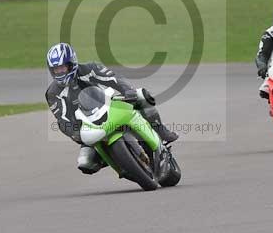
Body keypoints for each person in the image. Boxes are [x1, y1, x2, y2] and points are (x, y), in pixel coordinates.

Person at [44, 42, 179, 175]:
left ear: (72, 63)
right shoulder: (53, 93)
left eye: (63, 68)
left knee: (141, 95)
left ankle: (161, 132)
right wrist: (74, 132)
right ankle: (115, 161)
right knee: (85, 163)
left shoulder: (90, 69)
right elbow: (62, 119)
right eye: (56, 69)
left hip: (108, 105)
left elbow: (113, 78)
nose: (60, 72)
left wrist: (128, 90)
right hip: (87, 126)